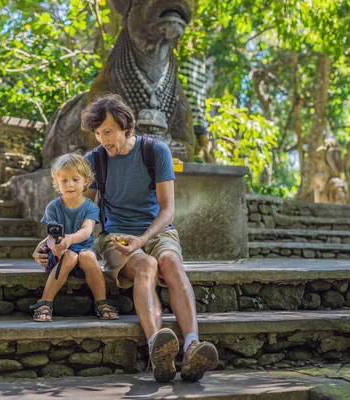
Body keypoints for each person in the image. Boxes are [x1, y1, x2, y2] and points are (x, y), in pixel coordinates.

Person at [33, 94, 218, 383]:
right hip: (116, 237)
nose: (102, 139)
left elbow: (168, 209)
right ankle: (158, 347)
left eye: (107, 131)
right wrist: (51, 241)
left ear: (125, 126)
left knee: (170, 261)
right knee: (145, 266)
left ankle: (192, 345)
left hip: (157, 231)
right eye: (96, 133)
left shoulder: (155, 151)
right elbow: (77, 207)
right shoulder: (94, 161)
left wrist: (143, 239)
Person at [30, 153, 119, 322]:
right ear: (57, 183)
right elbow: (51, 235)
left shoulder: (90, 207)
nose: (70, 185)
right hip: (60, 255)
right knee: (70, 255)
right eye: (64, 180)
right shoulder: (53, 207)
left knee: (88, 256)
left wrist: (70, 239)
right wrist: (52, 245)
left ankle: (102, 302)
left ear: (85, 181)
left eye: (75, 179)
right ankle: (44, 302)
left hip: (82, 250)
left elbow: (86, 230)